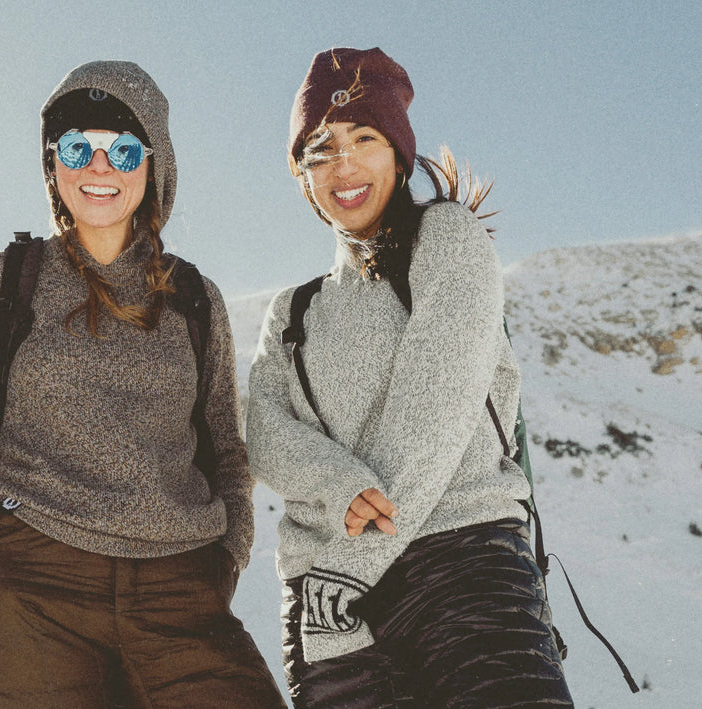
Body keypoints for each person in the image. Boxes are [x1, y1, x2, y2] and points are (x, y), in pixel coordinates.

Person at [0, 60, 285, 708]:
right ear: (54, 164)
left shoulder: (193, 297)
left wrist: (228, 555)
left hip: (177, 582)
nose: (99, 167)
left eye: (123, 149)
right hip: (31, 573)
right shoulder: (5, 278)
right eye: (78, 147)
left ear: (153, 167)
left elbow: (225, 447)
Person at [246, 47, 575, 707]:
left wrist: (350, 563)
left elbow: (435, 412)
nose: (344, 164)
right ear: (302, 173)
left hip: (461, 565)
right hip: (331, 611)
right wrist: (336, 482)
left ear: (398, 153)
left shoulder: (447, 241)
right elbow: (262, 429)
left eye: (364, 138)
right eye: (321, 147)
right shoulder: (293, 311)